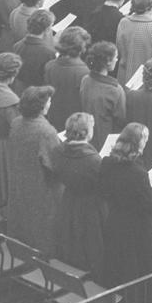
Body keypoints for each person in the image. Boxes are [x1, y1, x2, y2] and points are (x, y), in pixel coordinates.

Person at [98, 122, 152, 288]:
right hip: (137, 229)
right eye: (145, 139)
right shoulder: (138, 173)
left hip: (114, 221)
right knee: (139, 271)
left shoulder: (107, 163)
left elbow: (103, 190)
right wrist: (148, 185)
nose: (146, 142)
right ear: (138, 143)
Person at [6, 84, 61, 253]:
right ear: (41, 107)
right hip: (40, 185)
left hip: (20, 179)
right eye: (49, 101)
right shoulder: (46, 132)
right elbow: (55, 165)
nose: (50, 104)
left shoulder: (16, 123)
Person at [47, 112, 104, 274]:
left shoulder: (58, 151)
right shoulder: (93, 159)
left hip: (68, 199)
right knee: (89, 243)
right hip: (90, 205)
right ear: (87, 132)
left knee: (70, 238)